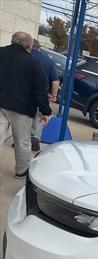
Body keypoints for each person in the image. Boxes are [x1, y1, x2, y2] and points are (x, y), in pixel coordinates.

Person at [0, 32, 52, 178]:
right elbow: (41, 90)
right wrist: (45, 111)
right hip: (21, 109)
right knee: (22, 141)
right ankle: (21, 171)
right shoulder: (33, 64)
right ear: (29, 46)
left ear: (12, 41)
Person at [30, 39, 60, 152]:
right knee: (39, 117)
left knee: (25, 117)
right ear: (39, 48)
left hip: (25, 93)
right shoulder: (48, 60)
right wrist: (53, 95)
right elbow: (55, 81)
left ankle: (21, 139)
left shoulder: (26, 56)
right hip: (42, 94)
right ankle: (36, 138)